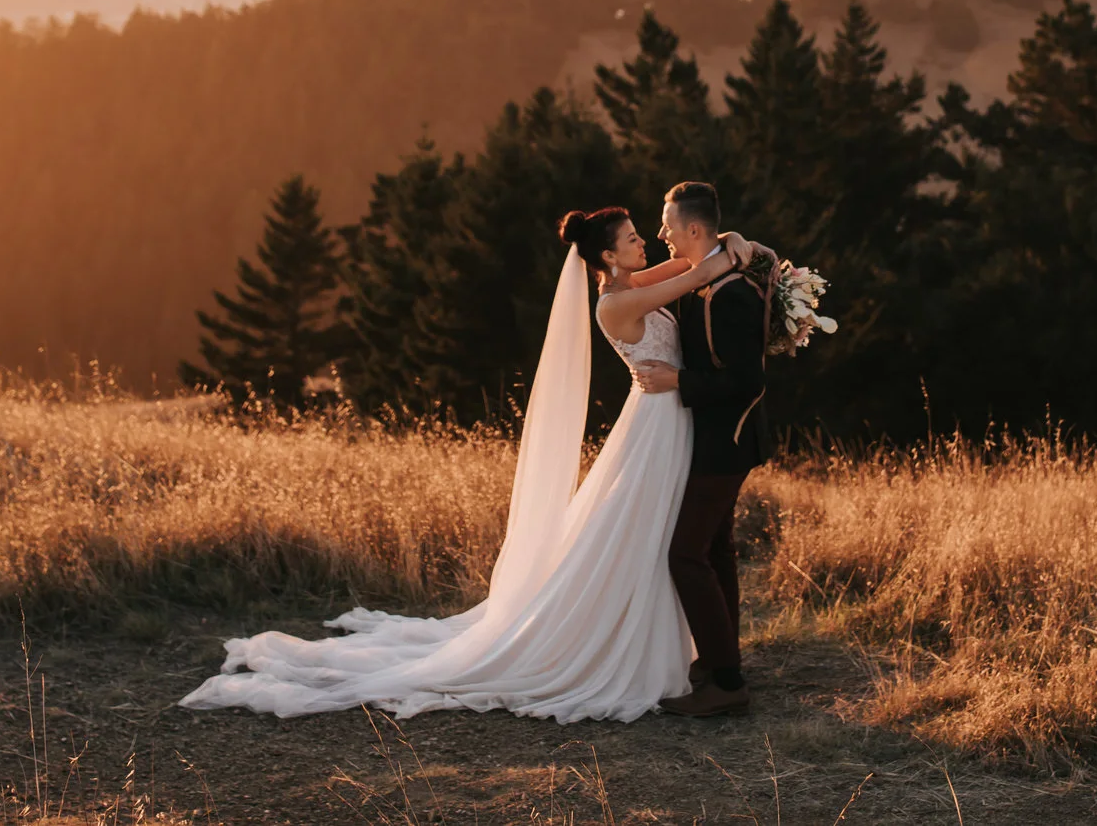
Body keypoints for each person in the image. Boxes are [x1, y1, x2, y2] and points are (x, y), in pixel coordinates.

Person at [177, 206, 739, 722]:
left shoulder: (626, 284)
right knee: (648, 529)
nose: (645, 242)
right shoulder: (615, 303)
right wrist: (737, 253)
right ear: (609, 256)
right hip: (656, 423)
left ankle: (681, 644)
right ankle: (642, 645)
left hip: (666, 417)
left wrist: (722, 247)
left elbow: (675, 269)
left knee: (655, 530)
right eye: (634, 238)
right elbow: (690, 277)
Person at [631, 180, 772, 717]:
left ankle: (728, 681)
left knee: (685, 554)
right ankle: (720, 662)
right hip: (710, 439)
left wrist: (678, 384)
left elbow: (748, 381)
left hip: (727, 443)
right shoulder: (703, 278)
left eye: (667, 224)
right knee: (715, 550)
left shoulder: (729, 292)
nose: (661, 233)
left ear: (694, 229)